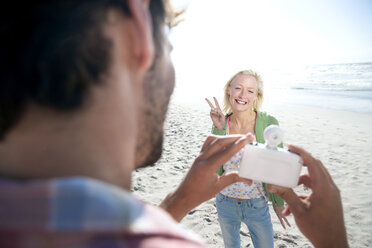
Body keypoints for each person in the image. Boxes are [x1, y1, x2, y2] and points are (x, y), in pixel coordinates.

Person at [0, 1, 349, 248]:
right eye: (167, 43)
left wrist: (178, 202)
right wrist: (334, 242)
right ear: (138, 29)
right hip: (228, 203)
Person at [205, 70, 289, 248]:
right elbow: (213, 164)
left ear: (256, 96)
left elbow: (277, 167)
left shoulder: (268, 122)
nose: (243, 95)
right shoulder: (222, 123)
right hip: (225, 203)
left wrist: (278, 203)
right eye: (238, 88)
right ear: (229, 90)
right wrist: (218, 128)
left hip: (257, 205)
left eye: (250, 91)